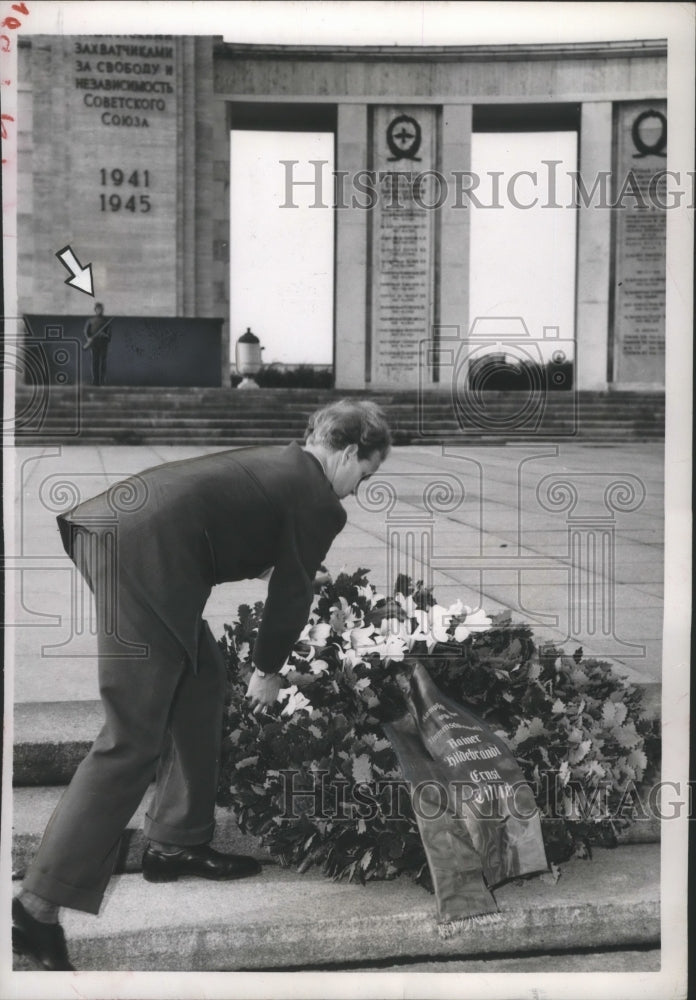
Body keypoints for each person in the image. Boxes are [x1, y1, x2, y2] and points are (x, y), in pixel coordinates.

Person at [12, 399, 391, 971]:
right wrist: (266, 670)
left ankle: (175, 840)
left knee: (203, 678)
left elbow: (230, 518)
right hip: (146, 557)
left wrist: (272, 561)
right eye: (365, 474)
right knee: (131, 737)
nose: (358, 491)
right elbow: (289, 599)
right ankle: (36, 908)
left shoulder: (287, 465)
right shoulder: (317, 497)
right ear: (345, 451)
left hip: (125, 535)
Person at [83, 302, 112, 386]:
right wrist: (89, 338)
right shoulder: (91, 320)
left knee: (103, 362)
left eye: (101, 309)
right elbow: (86, 331)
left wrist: (105, 335)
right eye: (98, 309)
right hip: (94, 344)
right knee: (95, 362)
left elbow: (109, 333)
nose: (100, 310)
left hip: (103, 343)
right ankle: (95, 381)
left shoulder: (106, 321)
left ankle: (102, 381)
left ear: (103, 310)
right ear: (95, 310)